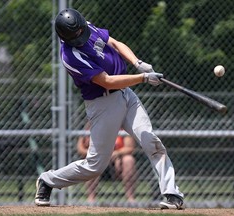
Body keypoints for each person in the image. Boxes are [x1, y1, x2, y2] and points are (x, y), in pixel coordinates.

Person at [35, 8, 184, 209]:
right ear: (66, 37)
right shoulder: (70, 56)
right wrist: (142, 78)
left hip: (126, 95)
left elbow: (113, 43)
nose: (81, 36)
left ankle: (172, 194)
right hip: (103, 104)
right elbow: (107, 81)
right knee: (94, 166)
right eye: (76, 36)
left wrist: (137, 63)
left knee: (151, 140)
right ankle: (48, 180)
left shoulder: (82, 25)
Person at [77, 124, 136, 202]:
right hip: (97, 159)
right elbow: (80, 149)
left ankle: (130, 198)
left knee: (128, 160)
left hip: (116, 160)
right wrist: (95, 154)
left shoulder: (122, 127)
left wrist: (117, 153)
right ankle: (91, 199)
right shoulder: (90, 125)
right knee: (91, 161)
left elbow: (130, 147)